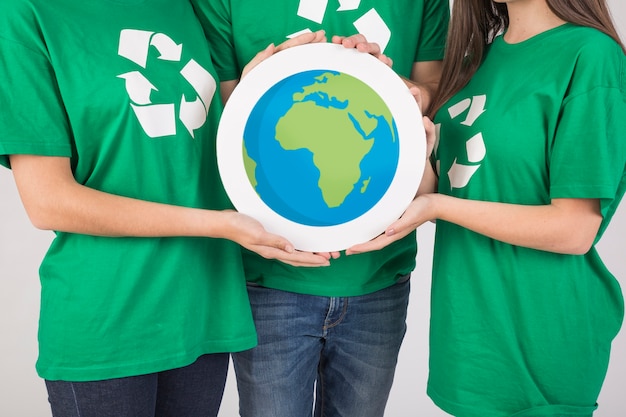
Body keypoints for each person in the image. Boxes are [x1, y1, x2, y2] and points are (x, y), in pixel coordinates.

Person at [0, 1, 333, 416]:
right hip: (111, 318)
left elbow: (203, 143)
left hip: (201, 311)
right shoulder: (26, 13)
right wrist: (219, 225)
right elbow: (49, 202)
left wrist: (255, 87)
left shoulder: (185, 6)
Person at [348, 0, 626, 415]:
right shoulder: (476, 60)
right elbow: (448, 189)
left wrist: (438, 206)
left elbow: (574, 230)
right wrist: (406, 128)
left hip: (539, 337)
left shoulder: (590, 55)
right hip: (468, 337)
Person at [190, 1, 450, 416]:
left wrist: (402, 89)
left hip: (380, 271)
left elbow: (433, 86)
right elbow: (227, 116)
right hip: (270, 274)